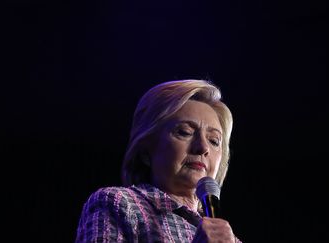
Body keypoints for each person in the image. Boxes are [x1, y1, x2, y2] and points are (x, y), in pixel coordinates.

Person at [75, 79, 242, 242]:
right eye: (184, 132)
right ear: (146, 151)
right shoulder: (119, 203)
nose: (203, 147)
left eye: (214, 140)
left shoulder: (230, 240)